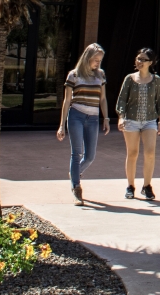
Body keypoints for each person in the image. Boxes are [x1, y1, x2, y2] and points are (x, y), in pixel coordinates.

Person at [57, 43, 110, 206]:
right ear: (87, 58)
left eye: (100, 60)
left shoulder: (100, 75)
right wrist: (61, 125)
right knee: (77, 153)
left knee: (90, 156)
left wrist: (106, 118)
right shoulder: (74, 75)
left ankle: (74, 173)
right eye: (95, 60)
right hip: (76, 116)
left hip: (93, 118)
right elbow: (67, 100)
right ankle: (76, 187)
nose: (97, 63)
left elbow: (102, 99)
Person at [116, 47, 160, 200]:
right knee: (132, 153)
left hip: (150, 120)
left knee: (150, 153)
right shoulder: (129, 79)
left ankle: (147, 186)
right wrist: (121, 117)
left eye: (143, 59)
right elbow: (122, 100)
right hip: (131, 120)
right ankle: (130, 186)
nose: (139, 62)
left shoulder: (156, 80)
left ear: (150, 62)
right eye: (138, 58)